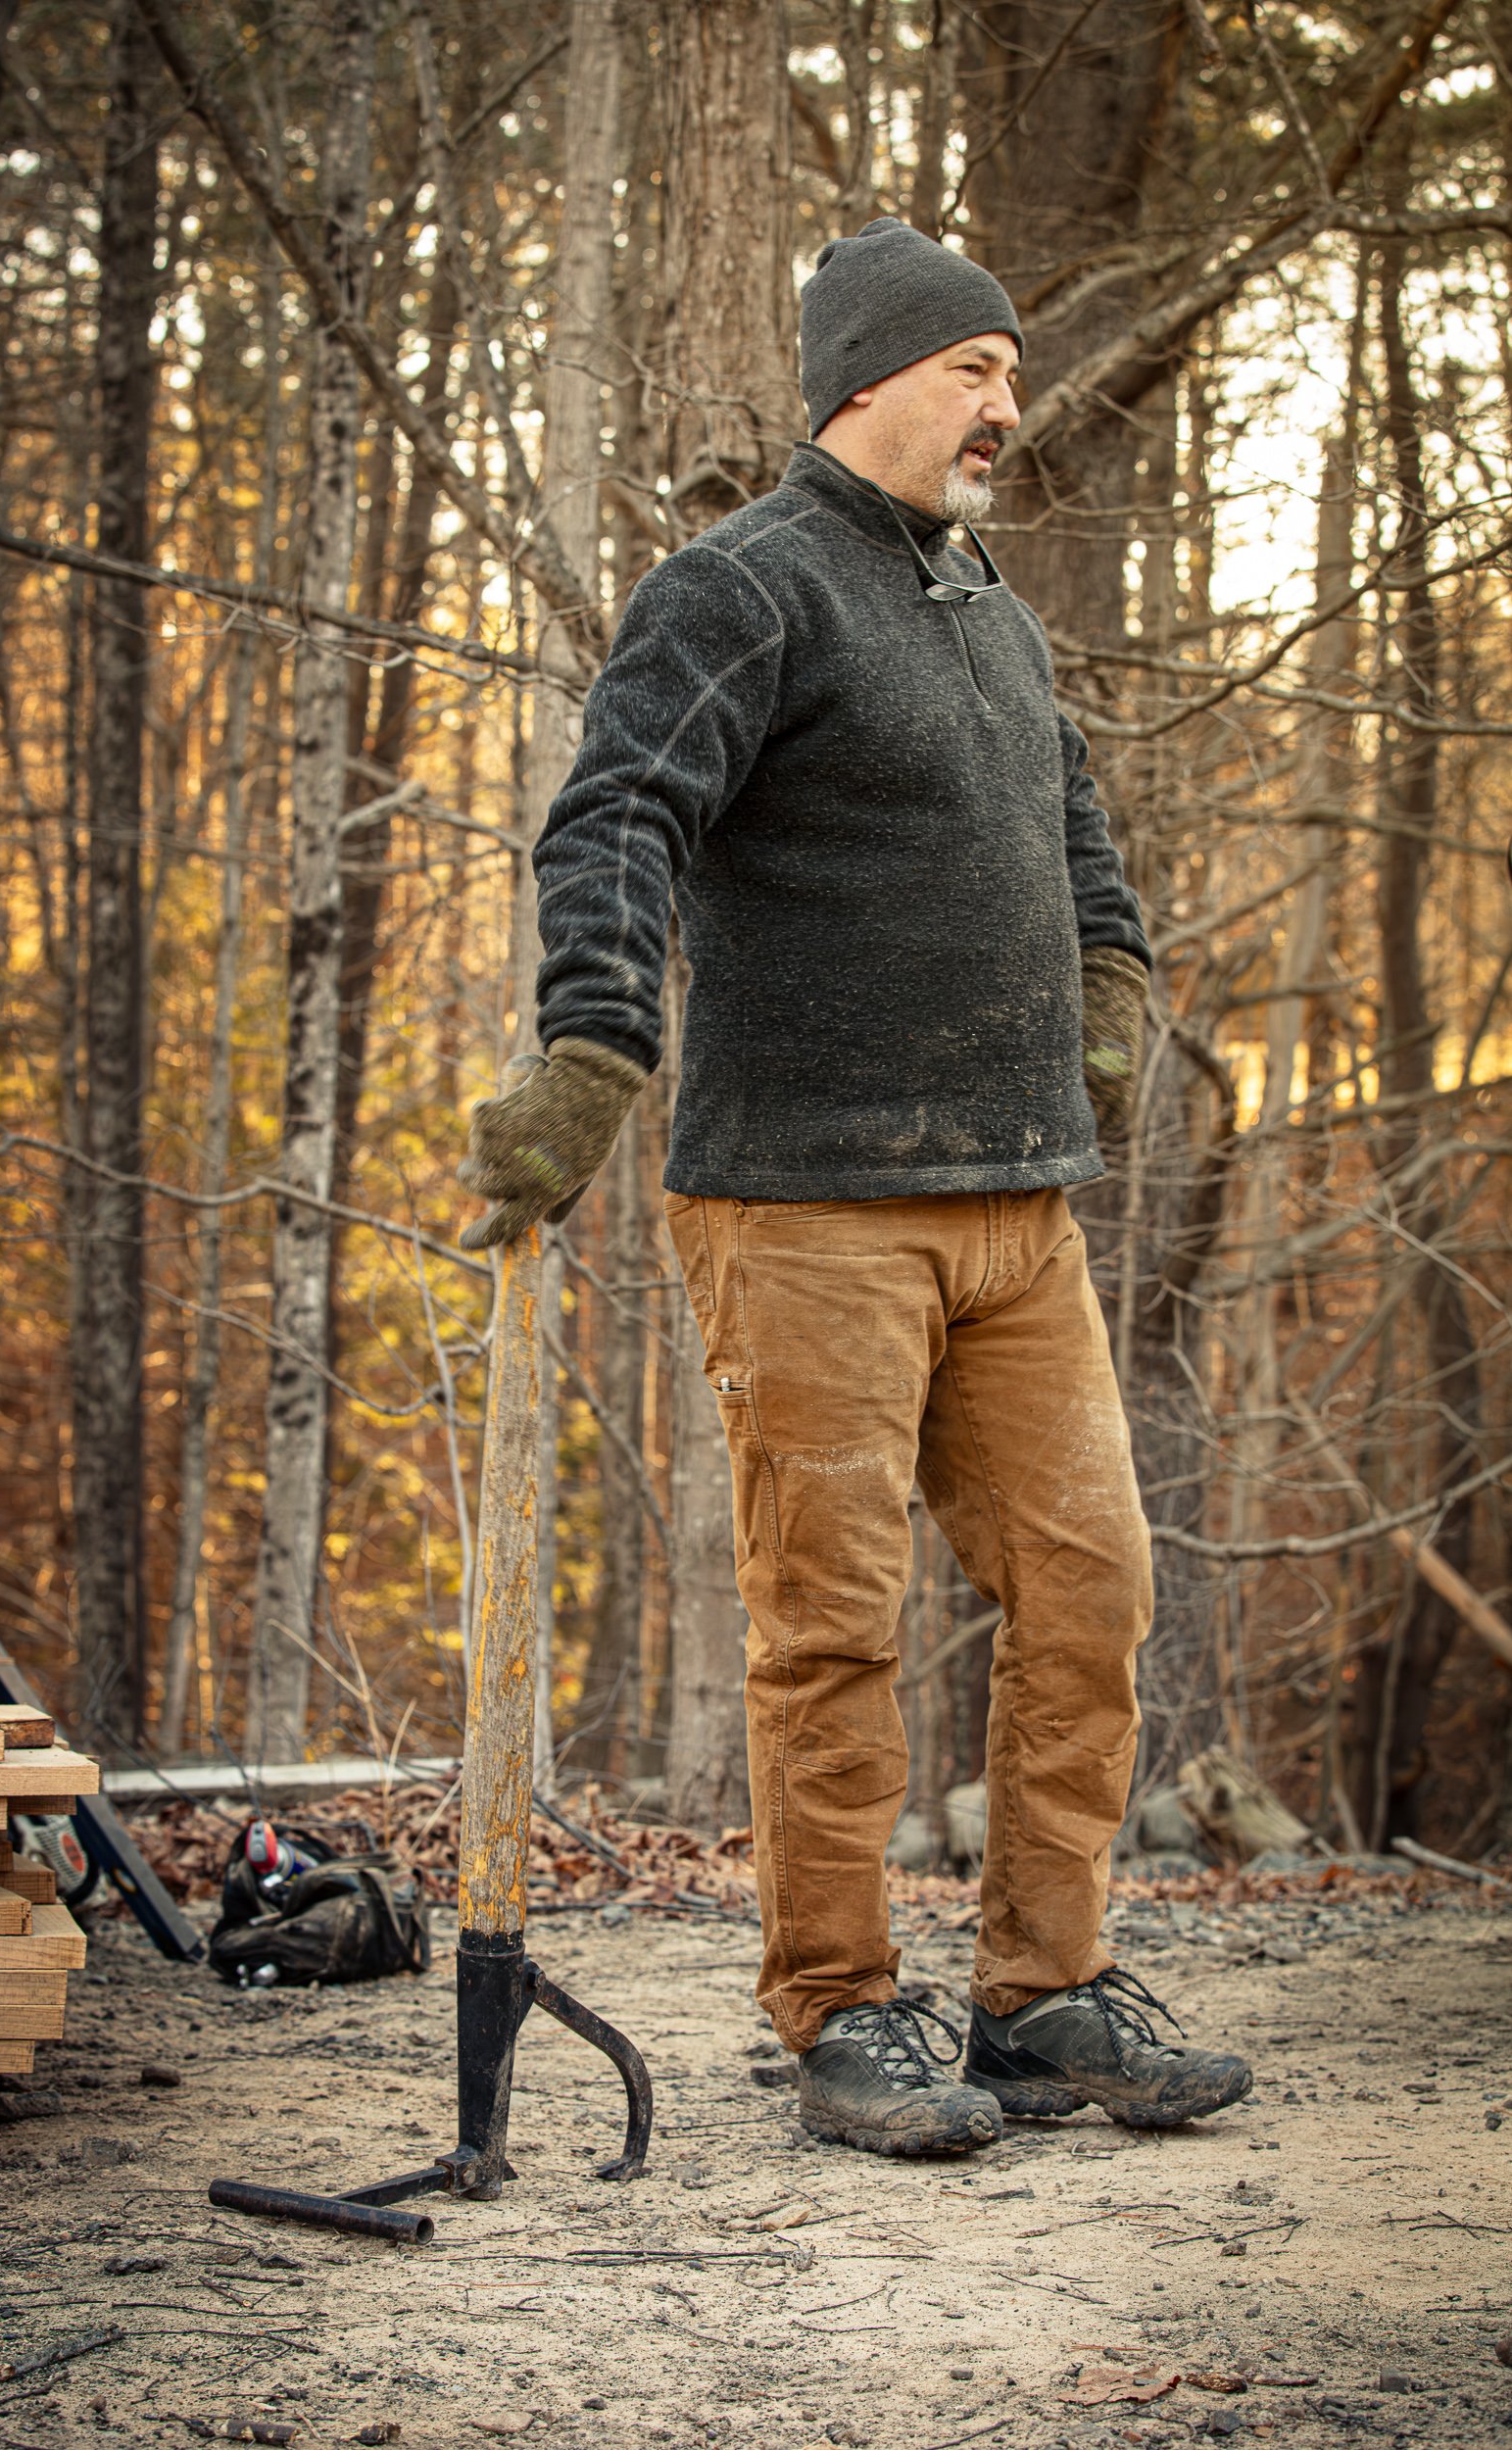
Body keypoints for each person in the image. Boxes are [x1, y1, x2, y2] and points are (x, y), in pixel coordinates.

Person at [459, 217, 1251, 2156]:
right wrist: (588, 1043)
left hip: (1016, 1211)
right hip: (805, 1208)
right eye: (971, 368)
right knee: (834, 1623)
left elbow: (1082, 834)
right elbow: (621, 801)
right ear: (863, 384)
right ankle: (840, 2004)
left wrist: (1119, 986)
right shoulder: (745, 588)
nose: (1008, 401)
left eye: (1009, 368)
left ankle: (1043, 1988)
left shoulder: (990, 615)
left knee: (1093, 1590)